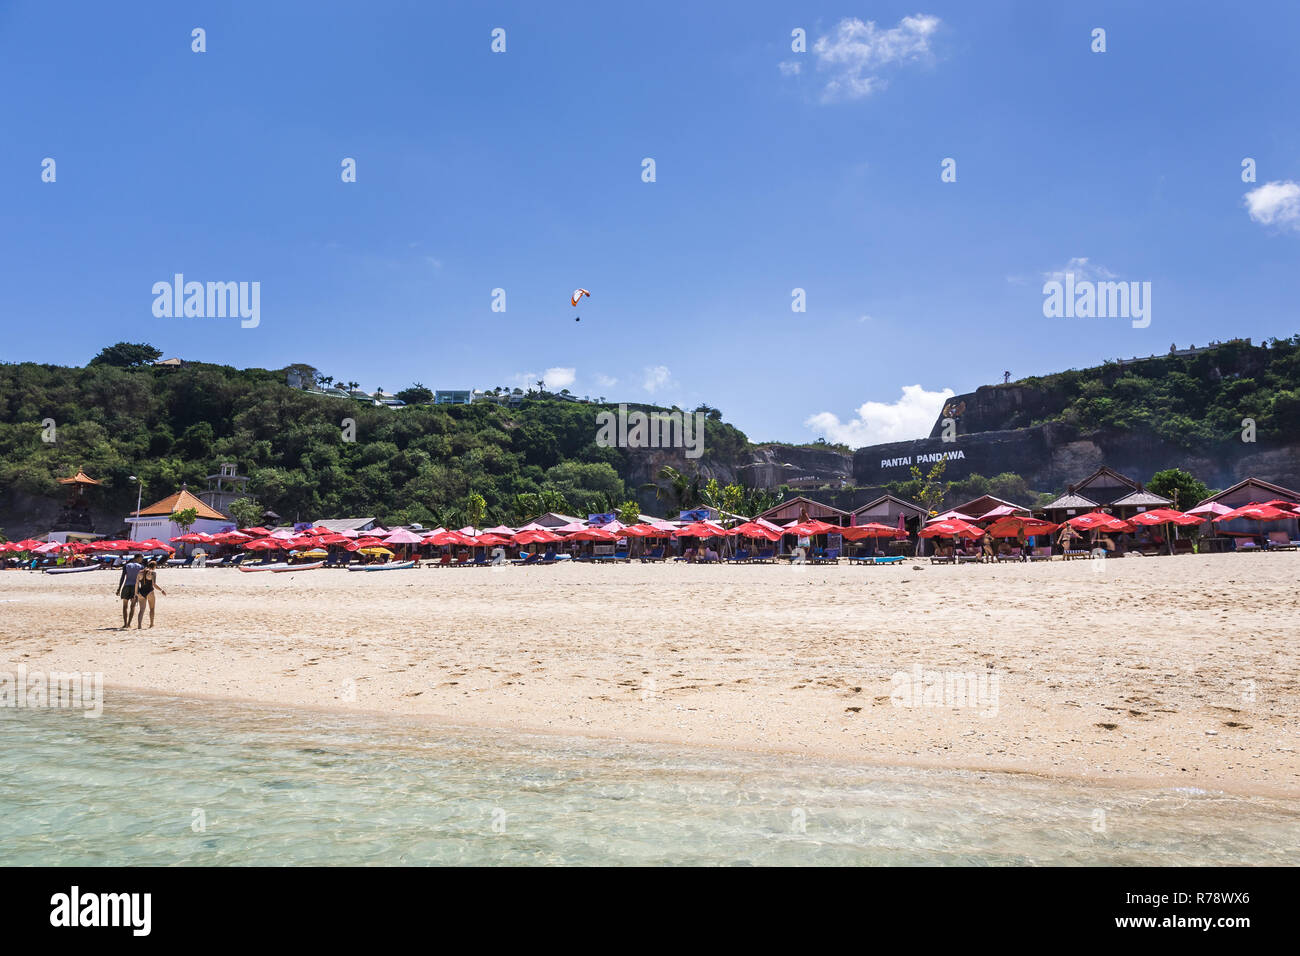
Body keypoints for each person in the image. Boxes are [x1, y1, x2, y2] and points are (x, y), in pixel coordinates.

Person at [135, 559, 167, 629]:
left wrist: (136, 593)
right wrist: (161, 590)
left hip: (141, 592)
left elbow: (137, 583)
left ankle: (139, 625)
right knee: (152, 608)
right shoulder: (153, 573)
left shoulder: (140, 572)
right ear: (154, 566)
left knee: (141, 610)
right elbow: (154, 584)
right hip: (150, 592)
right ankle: (151, 624)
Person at [116, 554, 144, 628]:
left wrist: (119, 589)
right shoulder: (141, 567)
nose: (142, 560)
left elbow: (122, 578)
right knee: (133, 606)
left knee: (125, 606)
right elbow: (142, 580)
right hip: (135, 587)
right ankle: (129, 624)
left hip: (126, 586)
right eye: (141, 558)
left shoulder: (126, 566)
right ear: (138, 558)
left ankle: (125, 624)